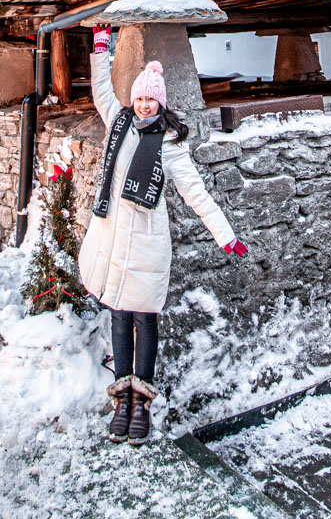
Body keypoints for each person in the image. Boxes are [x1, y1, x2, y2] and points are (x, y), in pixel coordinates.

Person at [78, 23, 248, 445]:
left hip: (148, 244)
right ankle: (122, 400)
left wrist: (225, 235)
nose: (143, 105)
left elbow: (196, 194)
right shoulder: (118, 124)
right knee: (119, 317)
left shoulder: (170, 144)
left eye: (150, 98)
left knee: (145, 320)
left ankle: (142, 404)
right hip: (112, 234)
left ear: (161, 102)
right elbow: (102, 88)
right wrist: (102, 47)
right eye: (138, 97)